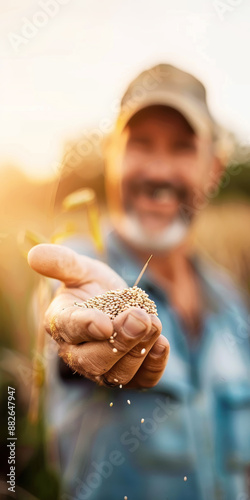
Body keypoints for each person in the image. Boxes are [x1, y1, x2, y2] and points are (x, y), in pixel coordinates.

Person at [28, 64, 250, 500]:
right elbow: (63, 325)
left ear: (213, 168)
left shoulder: (231, 303)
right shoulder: (79, 276)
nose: (159, 171)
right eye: (141, 145)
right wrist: (69, 335)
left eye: (183, 148)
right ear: (112, 156)